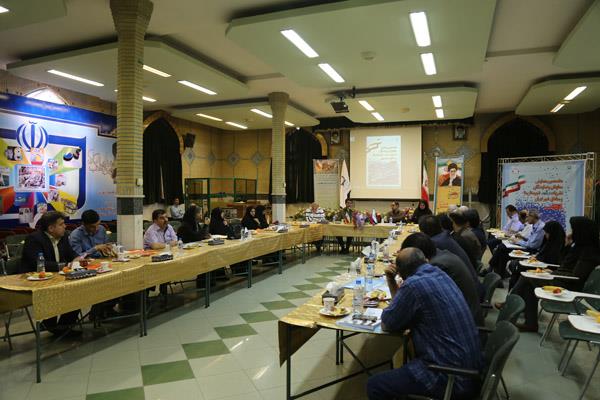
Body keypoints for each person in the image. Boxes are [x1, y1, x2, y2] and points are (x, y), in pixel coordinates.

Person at [367, 248, 481, 399]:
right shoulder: (440, 274)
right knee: (405, 353)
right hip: (470, 368)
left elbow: (388, 324)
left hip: (449, 375)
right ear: (425, 260)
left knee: (375, 385)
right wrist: (391, 280)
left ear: (401, 272)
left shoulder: (413, 285)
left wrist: (391, 279)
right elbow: (401, 309)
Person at [511, 216, 600, 331]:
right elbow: (563, 264)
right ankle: (530, 322)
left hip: (569, 285)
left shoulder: (589, 252)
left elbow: (576, 276)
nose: (571, 232)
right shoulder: (579, 246)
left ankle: (511, 305)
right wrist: (567, 246)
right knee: (528, 283)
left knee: (527, 278)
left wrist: (553, 274)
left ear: (581, 231)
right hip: (562, 279)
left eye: (573, 230)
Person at [20, 211, 82, 336]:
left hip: (57, 277)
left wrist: (77, 260)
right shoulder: (34, 239)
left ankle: (64, 326)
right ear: (51, 228)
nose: (65, 226)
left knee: (79, 289)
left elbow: (72, 254)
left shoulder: (63, 237)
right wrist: (65, 265)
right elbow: (38, 263)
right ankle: (51, 323)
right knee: (66, 290)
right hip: (35, 279)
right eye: (61, 224)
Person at [401, 233, 484, 325]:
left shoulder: (436, 266)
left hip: (465, 321)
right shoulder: (441, 254)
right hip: (466, 312)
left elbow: (420, 297)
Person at [418, 215, 478, 283]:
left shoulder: (436, 243)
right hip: (470, 280)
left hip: (463, 286)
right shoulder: (444, 236)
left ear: (423, 232)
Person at [489, 210, 545, 277]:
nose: (527, 219)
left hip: (532, 250)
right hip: (528, 246)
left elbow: (532, 245)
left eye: (528, 217)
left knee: (502, 248)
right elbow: (531, 240)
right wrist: (523, 237)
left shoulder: (540, 228)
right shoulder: (536, 225)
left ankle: (493, 268)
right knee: (502, 249)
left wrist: (517, 241)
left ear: (533, 217)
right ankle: (499, 272)